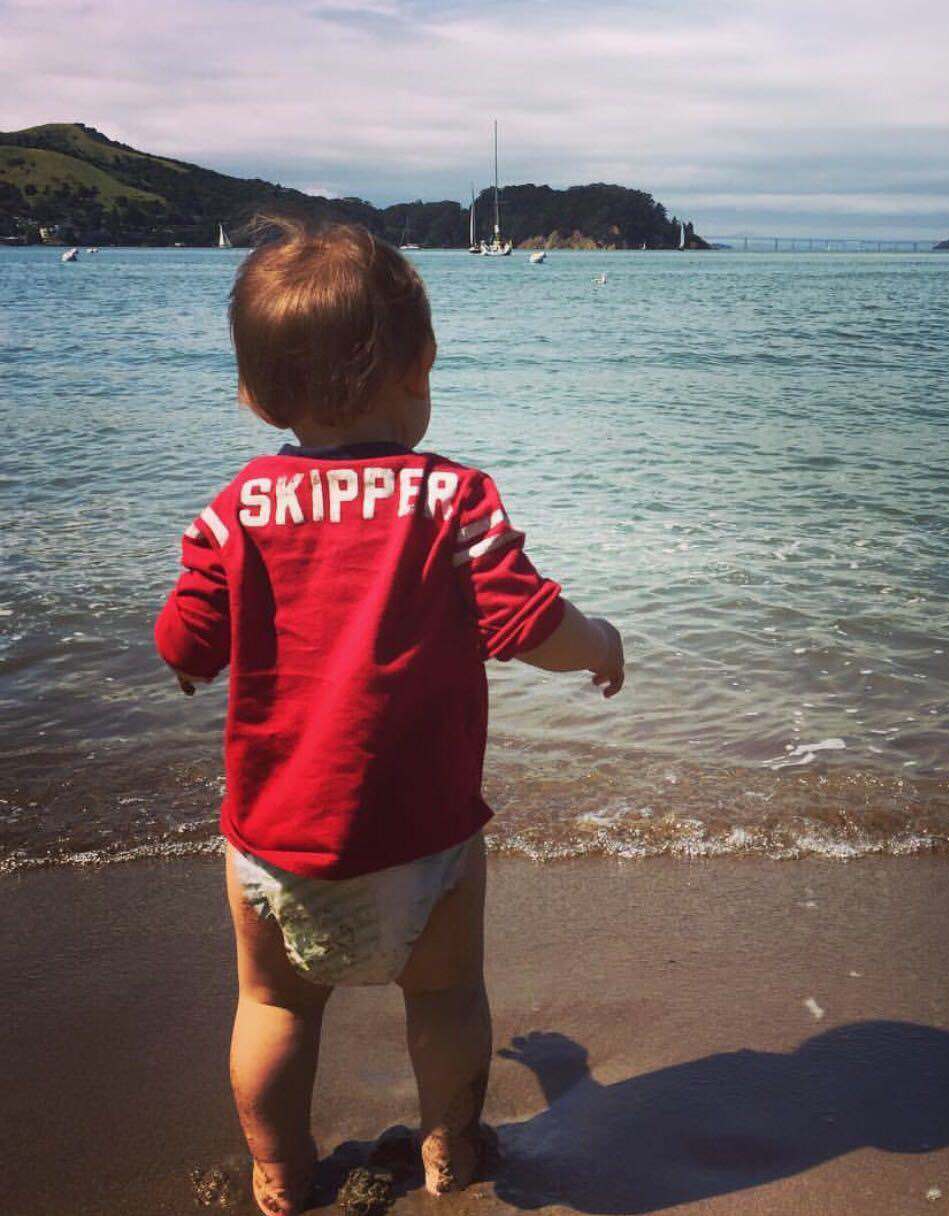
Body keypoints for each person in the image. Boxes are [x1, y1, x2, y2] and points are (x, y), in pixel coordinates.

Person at [154, 216, 624, 1214]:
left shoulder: (235, 507)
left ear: (251, 394)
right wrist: (603, 646)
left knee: (273, 1003)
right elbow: (531, 623)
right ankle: (450, 1150)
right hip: (424, 839)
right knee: (446, 996)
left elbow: (183, 639)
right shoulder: (452, 498)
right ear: (421, 366)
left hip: (275, 838)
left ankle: (280, 1171)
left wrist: (196, 662)